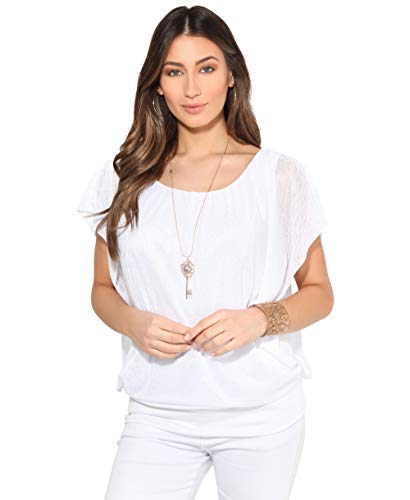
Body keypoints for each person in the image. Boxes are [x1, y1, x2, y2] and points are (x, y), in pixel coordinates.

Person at [77, 5, 334, 500]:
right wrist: (133, 323)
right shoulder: (123, 177)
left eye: (207, 68)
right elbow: (102, 288)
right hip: (158, 415)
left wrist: (259, 319)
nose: (192, 89)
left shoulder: (279, 176)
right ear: (157, 84)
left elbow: (320, 292)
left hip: (261, 416)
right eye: (175, 72)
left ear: (232, 75)